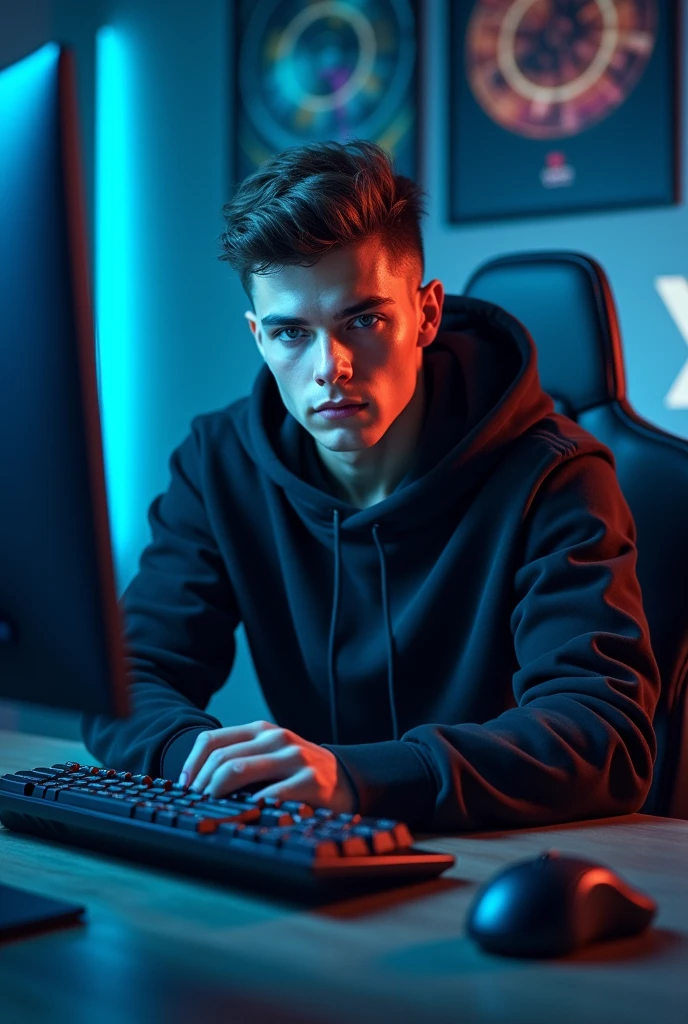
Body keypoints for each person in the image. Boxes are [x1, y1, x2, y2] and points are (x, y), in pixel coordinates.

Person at [82, 140, 660, 831]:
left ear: (427, 314)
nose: (331, 367)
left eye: (365, 320)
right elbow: (128, 678)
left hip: (517, 861)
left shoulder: (557, 475)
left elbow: (603, 738)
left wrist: (359, 779)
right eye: (291, 333)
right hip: (318, 863)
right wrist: (195, 759)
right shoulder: (218, 463)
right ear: (258, 338)